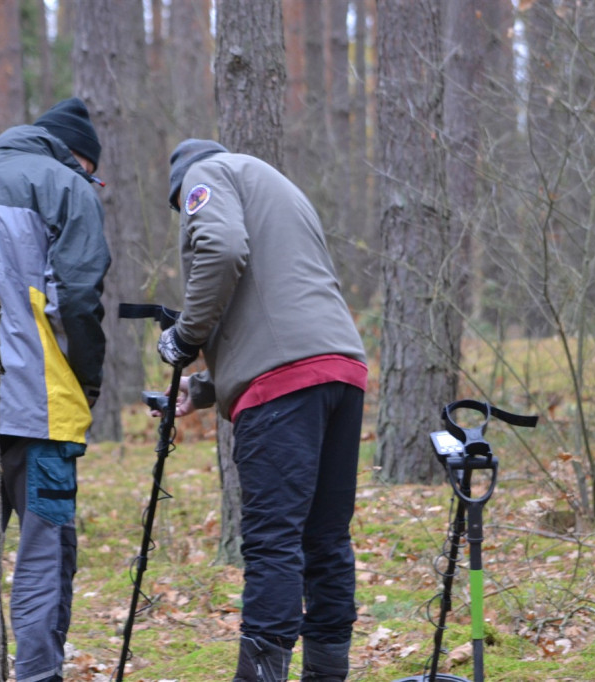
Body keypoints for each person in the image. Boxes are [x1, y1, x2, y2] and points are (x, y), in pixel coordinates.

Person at [157, 139, 368, 682]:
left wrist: (185, 337)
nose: (187, 215)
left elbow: (224, 250)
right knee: (326, 538)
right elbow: (276, 305)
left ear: (182, 190)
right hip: (341, 370)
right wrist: (205, 389)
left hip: (283, 386)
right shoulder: (276, 185)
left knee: (274, 540)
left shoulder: (205, 175)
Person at [0, 97, 111, 682]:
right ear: (81, 160)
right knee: (43, 556)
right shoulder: (66, 185)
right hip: (40, 408)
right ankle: (38, 676)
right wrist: (87, 383)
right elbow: (79, 299)